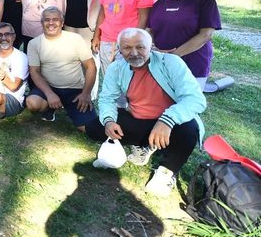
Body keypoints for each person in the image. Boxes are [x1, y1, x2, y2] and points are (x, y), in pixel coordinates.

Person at [84, 28, 205, 196]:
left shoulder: (171, 63)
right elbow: (107, 99)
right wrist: (109, 121)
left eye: (140, 47)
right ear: (120, 50)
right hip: (139, 119)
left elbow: (196, 99)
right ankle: (144, 146)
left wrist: (167, 120)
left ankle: (166, 172)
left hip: (170, 124)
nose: (134, 53)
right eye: (127, 48)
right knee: (94, 127)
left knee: (189, 128)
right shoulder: (116, 68)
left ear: (151, 47)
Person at [147, 0, 221, 90]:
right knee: (159, 105)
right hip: (159, 62)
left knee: (187, 106)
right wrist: (152, 48)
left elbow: (205, 35)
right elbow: (150, 30)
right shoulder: (159, 4)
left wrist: (173, 57)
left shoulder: (205, 1)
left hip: (192, 63)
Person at [24, 7, 97, 129]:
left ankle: (70, 108)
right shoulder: (34, 43)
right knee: (32, 103)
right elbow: (34, 72)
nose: (51, 23)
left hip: (74, 89)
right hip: (50, 87)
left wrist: (86, 94)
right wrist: (49, 94)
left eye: (55, 20)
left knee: (88, 128)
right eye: (47, 20)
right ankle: (49, 108)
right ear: (42, 23)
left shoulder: (75, 39)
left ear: (62, 23)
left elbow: (91, 67)